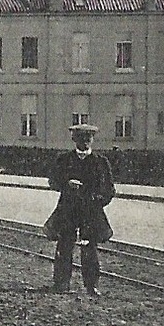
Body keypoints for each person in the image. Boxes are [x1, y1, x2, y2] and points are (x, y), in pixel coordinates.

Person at [44, 124, 115, 296]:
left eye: (88, 138)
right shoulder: (64, 160)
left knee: (90, 248)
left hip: (90, 213)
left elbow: (109, 191)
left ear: (92, 140)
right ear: (74, 139)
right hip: (68, 211)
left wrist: (96, 200)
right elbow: (52, 181)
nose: (84, 142)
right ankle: (61, 284)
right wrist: (66, 184)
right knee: (64, 246)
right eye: (81, 138)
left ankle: (92, 286)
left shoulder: (100, 162)